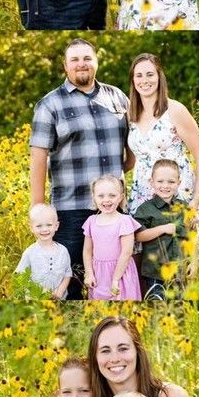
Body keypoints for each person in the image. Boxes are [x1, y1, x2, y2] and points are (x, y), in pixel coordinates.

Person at [30, 39, 131, 300]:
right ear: (65, 66)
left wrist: (121, 178)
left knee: (116, 280)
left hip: (115, 210)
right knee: (70, 281)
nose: (81, 64)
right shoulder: (49, 105)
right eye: (74, 60)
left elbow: (133, 148)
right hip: (71, 210)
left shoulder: (118, 97)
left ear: (97, 61)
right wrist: (39, 210)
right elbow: (38, 160)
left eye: (87, 58)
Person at [125, 54, 199, 261]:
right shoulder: (131, 113)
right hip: (142, 193)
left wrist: (195, 200)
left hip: (176, 190)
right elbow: (133, 159)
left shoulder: (175, 110)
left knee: (182, 252)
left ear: (160, 77)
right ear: (133, 81)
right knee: (145, 255)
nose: (145, 80)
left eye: (150, 74)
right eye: (139, 75)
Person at [134, 159, 194, 299]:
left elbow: (192, 236)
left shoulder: (184, 208)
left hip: (180, 270)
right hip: (155, 272)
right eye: (160, 181)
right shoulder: (145, 209)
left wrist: (194, 262)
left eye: (171, 182)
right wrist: (163, 228)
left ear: (178, 183)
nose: (165, 186)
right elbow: (138, 236)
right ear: (152, 182)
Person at [83, 175, 143, 301]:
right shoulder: (91, 221)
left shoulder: (124, 221)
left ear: (120, 197)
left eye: (112, 195)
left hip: (120, 272)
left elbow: (126, 253)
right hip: (98, 274)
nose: (106, 200)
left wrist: (115, 279)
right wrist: (89, 273)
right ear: (93, 197)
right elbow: (87, 251)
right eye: (101, 196)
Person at [15, 203, 73, 299]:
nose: (44, 229)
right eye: (39, 226)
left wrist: (60, 291)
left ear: (56, 226)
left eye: (49, 225)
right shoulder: (30, 253)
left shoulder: (63, 251)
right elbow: (19, 277)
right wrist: (39, 291)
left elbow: (67, 273)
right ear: (31, 228)